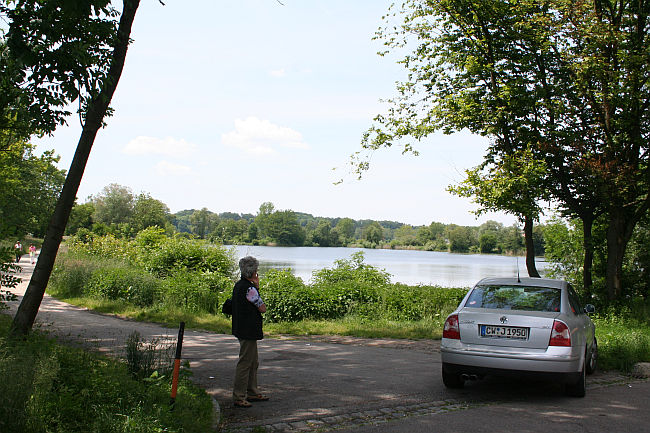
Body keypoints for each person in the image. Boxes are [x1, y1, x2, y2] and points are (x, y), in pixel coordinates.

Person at [231, 256, 269, 408]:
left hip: (241, 328)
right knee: (246, 363)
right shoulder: (250, 289)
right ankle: (239, 396)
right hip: (248, 330)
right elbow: (262, 308)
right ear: (253, 272)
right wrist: (257, 288)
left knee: (253, 362)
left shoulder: (239, 285)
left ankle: (252, 392)